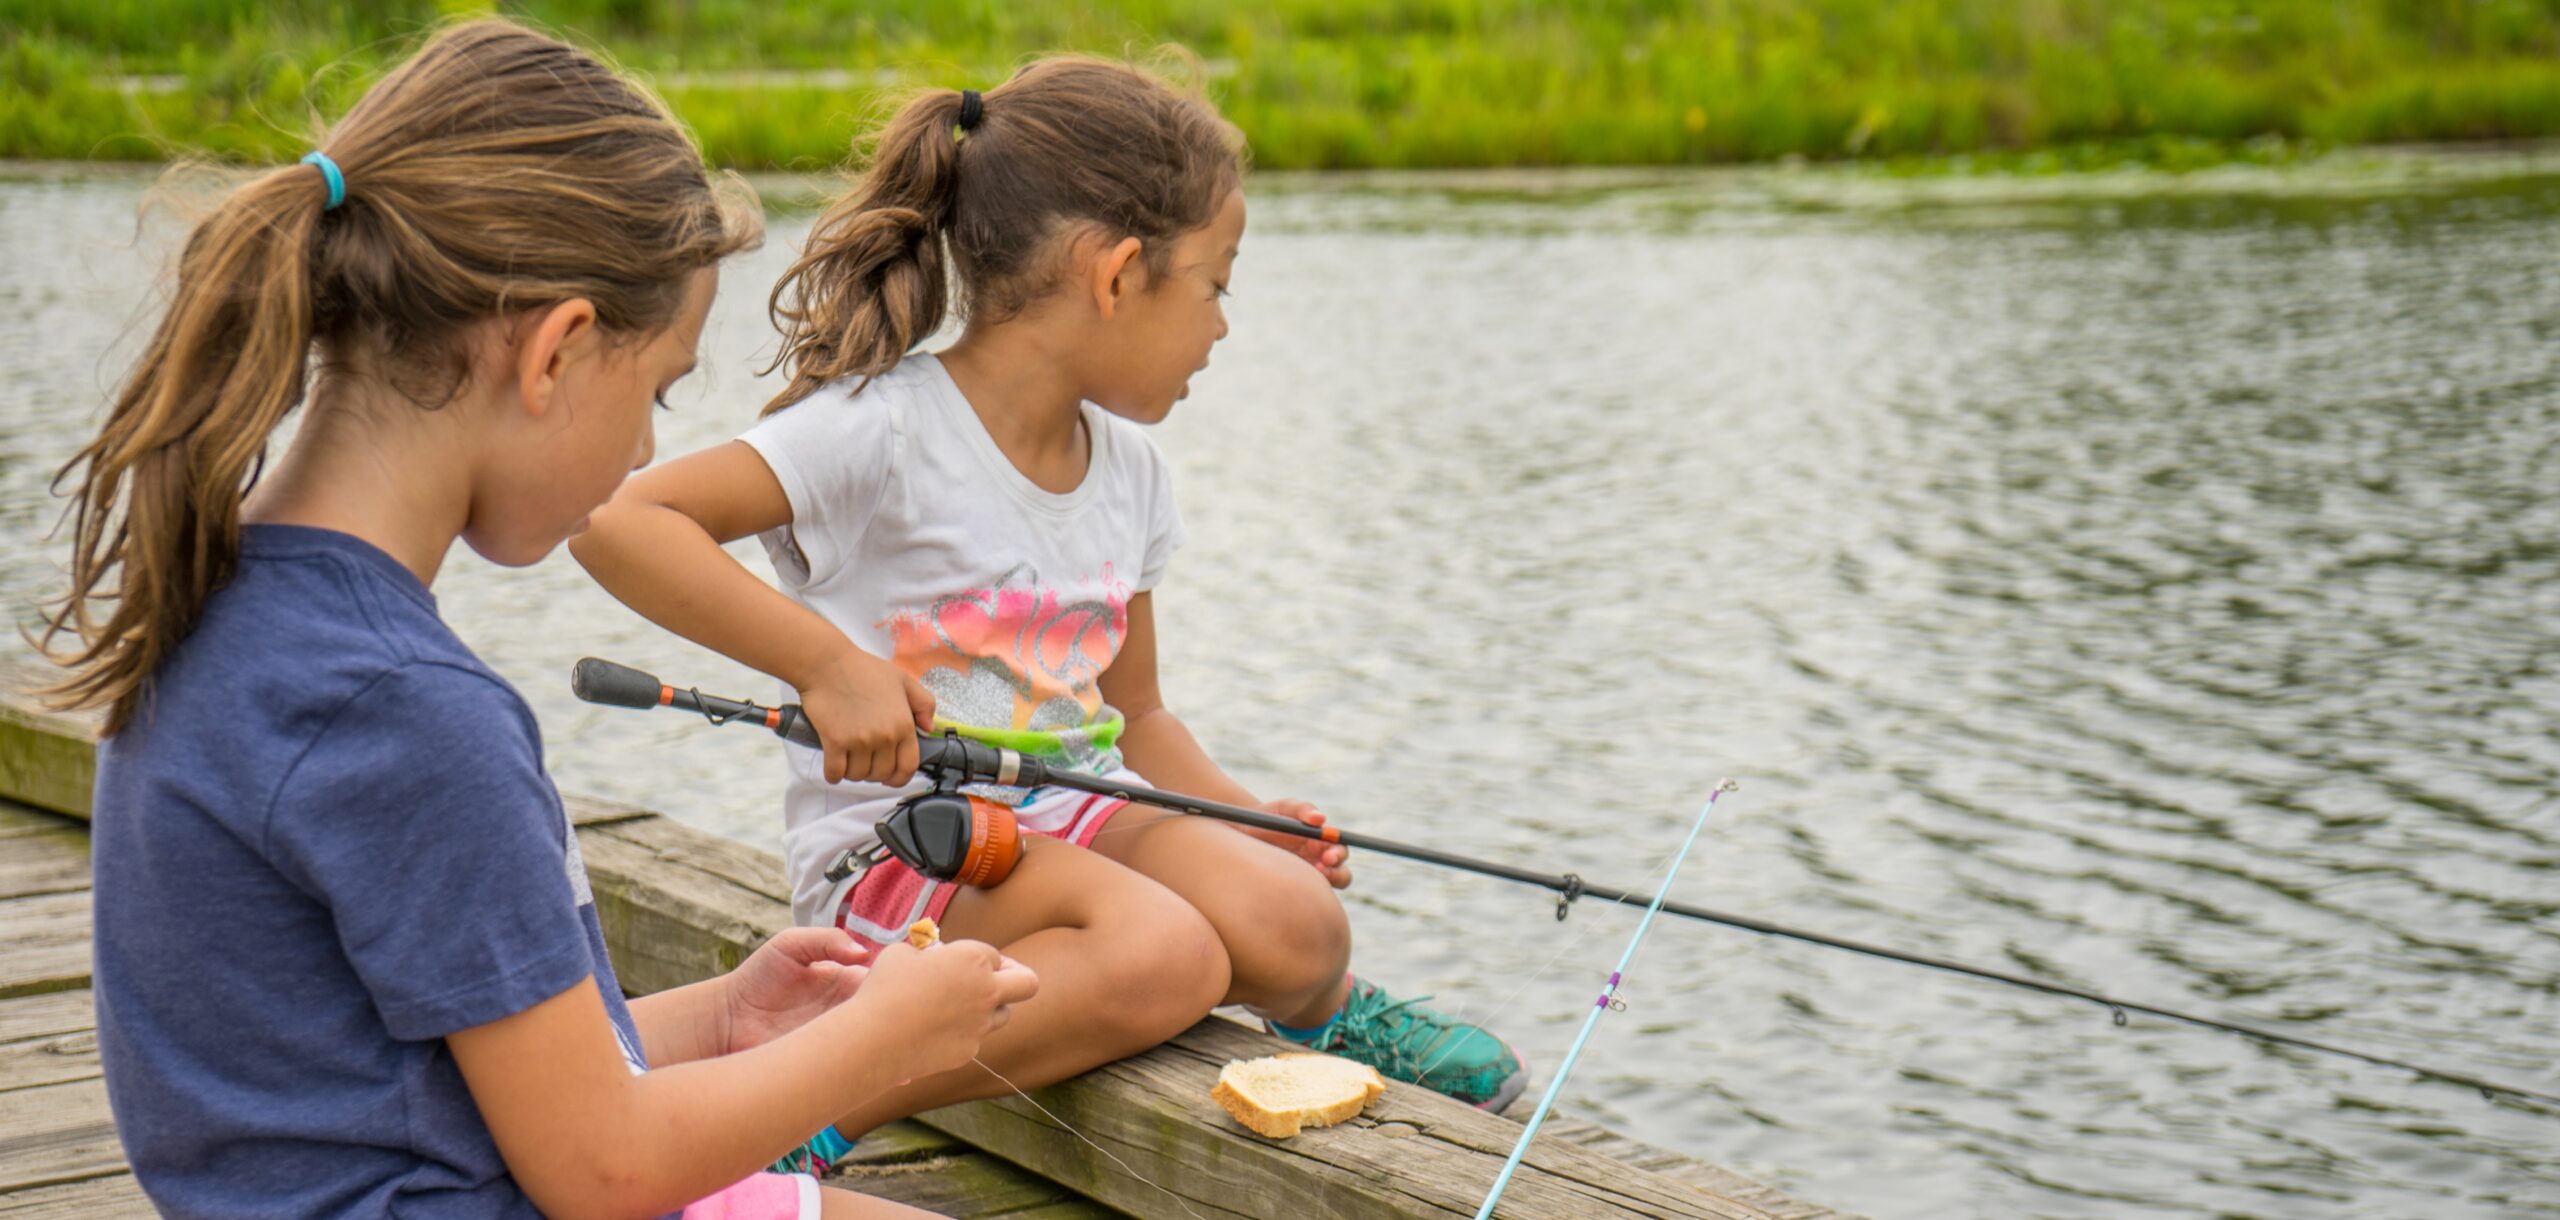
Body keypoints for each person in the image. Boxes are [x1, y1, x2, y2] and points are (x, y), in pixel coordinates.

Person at [42, 22, 1033, 1219]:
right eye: (659, 388)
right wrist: (888, 1039)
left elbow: (403, 1077)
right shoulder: (404, 710)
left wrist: (725, 1017)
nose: (647, 448)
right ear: (558, 350)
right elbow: (603, 1168)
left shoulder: (221, 599)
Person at [569, 56, 1526, 1147]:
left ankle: (1333, 1016)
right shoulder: (881, 431)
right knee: (1169, 955)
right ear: (1115, 275)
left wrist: (1247, 818)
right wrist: (826, 666)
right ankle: (816, 1101)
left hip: (1085, 816)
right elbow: (621, 520)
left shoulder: (1130, 473)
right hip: (905, 853)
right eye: (1214, 283)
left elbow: (1142, 716)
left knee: (1296, 921)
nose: (1221, 325)